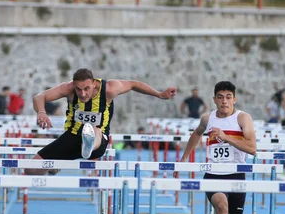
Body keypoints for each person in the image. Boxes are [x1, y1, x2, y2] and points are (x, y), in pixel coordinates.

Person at [27, 68, 177, 175]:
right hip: (71, 137)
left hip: (99, 140)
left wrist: (159, 94)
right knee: (30, 170)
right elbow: (39, 97)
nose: (83, 93)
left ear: (94, 84)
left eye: (86, 88)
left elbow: (133, 84)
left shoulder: (109, 89)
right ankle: (55, 166)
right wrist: (41, 111)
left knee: (94, 130)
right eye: (79, 89)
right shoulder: (68, 88)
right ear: (74, 86)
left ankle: (89, 143)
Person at [180, 81, 256, 214]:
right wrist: (184, 158)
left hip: (237, 175)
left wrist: (226, 136)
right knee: (221, 206)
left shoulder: (243, 119)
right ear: (214, 100)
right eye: (220, 97)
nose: (224, 101)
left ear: (234, 99)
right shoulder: (208, 118)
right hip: (213, 174)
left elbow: (252, 149)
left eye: (228, 97)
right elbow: (196, 134)